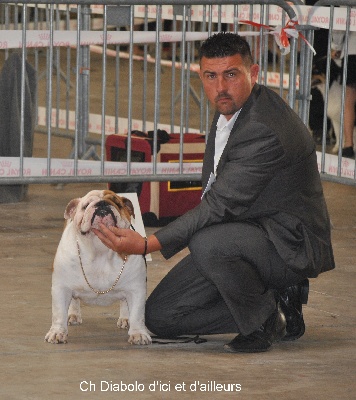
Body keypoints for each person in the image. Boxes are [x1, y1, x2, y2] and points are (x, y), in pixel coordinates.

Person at [94, 32, 335, 353]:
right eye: (211, 76)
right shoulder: (231, 107)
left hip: (289, 245)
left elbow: (218, 206)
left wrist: (146, 243)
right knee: (159, 317)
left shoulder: (261, 127)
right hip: (243, 235)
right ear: (201, 76)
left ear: (253, 73)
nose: (220, 86)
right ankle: (272, 307)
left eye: (231, 74)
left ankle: (262, 316)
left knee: (206, 240)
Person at [331, 31, 356, 158]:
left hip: (352, 49)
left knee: (349, 100)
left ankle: (348, 145)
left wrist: (336, 46)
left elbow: (339, 25)